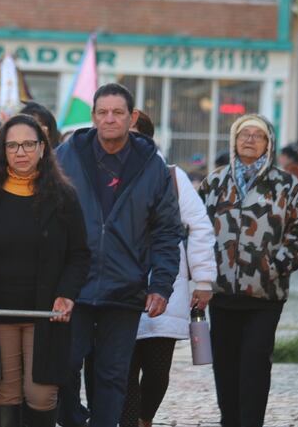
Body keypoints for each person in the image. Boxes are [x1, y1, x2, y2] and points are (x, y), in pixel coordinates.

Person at [55, 83, 182, 427]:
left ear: (132, 117)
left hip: (125, 286)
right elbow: (47, 216)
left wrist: (161, 285)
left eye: (118, 112)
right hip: (73, 285)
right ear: (93, 116)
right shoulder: (67, 156)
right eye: (102, 112)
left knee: (113, 375)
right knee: (65, 366)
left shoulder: (152, 166)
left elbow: (167, 230)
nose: (109, 119)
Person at [0, 114, 91, 427]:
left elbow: (79, 254)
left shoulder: (64, 197)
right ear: (3, 150)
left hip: (46, 315)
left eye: (28, 144)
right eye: (12, 145)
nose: (21, 152)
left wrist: (67, 294)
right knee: (5, 394)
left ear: (42, 148)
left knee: (41, 394)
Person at [199, 114, 298, 427]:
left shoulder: (287, 185)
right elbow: (197, 231)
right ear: (233, 140)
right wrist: (205, 273)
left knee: (255, 364)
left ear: (268, 144)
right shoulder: (214, 182)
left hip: (265, 294)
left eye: (257, 136)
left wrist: (273, 268)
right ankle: (229, 421)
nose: (249, 140)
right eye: (243, 134)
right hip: (222, 294)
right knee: (225, 365)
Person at [119, 111, 217, 427]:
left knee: (158, 368)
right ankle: (128, 421)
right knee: (122, 366)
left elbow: (200, 225)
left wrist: (203, 279)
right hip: (118, 285)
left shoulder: (171, 175)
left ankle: (144, 418)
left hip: (166, 285)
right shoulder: (105, 173)